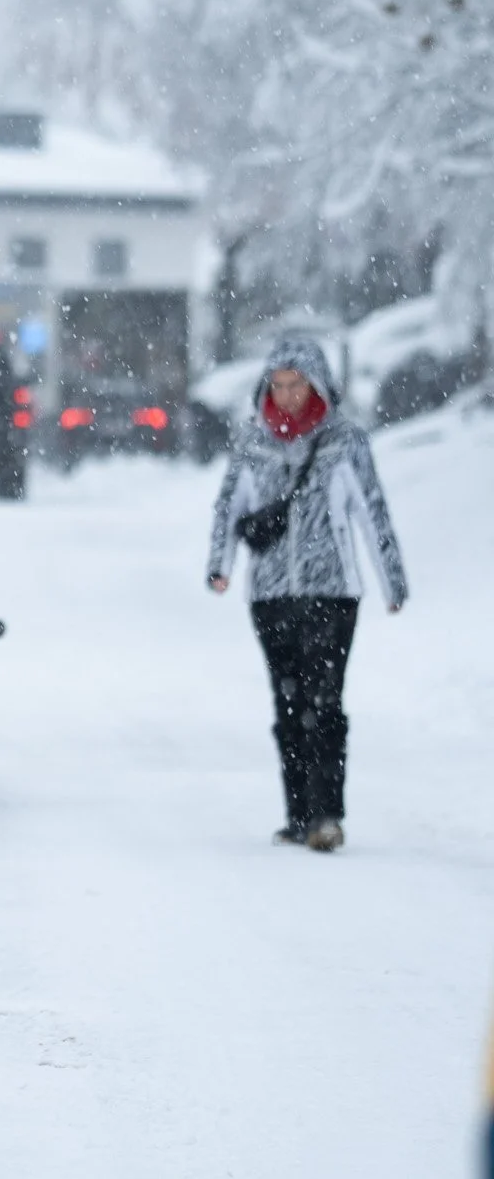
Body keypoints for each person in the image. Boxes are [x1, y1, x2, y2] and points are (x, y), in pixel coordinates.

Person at [207, 334, 408, 853]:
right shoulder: (254, 442)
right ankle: (298, 814)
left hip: (333, 592)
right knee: (288, 703)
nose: (287, 395)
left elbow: (371, 509)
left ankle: (325, 815)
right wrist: (219, 567)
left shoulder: (344, 441)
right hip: (270, 595)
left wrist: (392, 579)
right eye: (278, 385)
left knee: (324, 700)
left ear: (316, 384)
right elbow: (228, 507)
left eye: (297, 384)